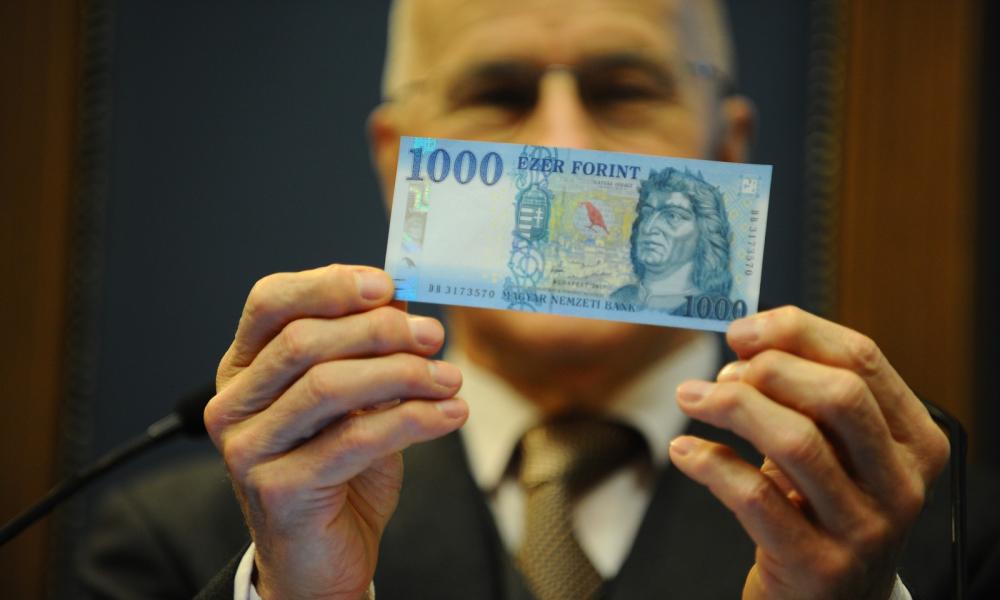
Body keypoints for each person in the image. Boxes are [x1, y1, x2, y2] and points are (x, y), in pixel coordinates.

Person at [78, 1, 1000, 599]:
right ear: (400, 162)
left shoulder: (939, 541)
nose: (564, 146)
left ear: (726, 149)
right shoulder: (187, 545)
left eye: (624, 90)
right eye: (499, 93)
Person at [610, 167, 733, 311]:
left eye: (672, 216)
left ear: (705, 232)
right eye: (647, 213)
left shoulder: (710, 309)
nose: (648, 228)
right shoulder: (621, 297)